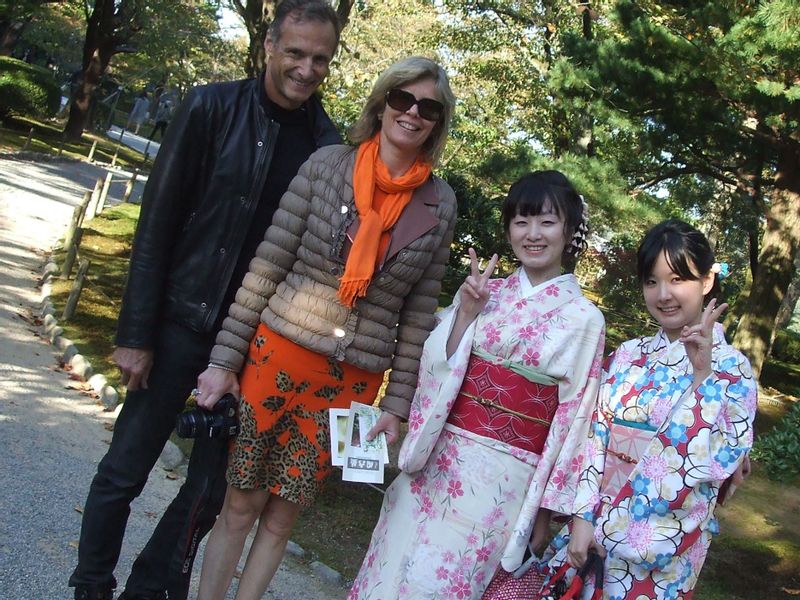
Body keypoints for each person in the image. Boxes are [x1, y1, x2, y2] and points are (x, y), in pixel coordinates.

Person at [68, 2, 343, 599]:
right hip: (177, 325)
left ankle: (147, 589)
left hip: (252, 346)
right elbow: (157, 224)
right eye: (295, 52)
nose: (305, 68)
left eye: (320, 58)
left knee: (210, 490)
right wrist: (135, 333)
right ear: (270, 44)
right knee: (125, 469)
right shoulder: (211, 107)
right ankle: (90, 585)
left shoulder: (329, 147)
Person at [193, 55, 458, 600]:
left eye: (427, 107)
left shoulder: (440, 202)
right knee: (240, 504)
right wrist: (223, 363)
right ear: (382, 102)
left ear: (437, 121)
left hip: (351, 387)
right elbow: (266, 267)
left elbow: (417, 317)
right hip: (276, 358)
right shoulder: (326, 165)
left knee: (284, 516)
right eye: (402, 99)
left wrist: (398, 405)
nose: (412, 113)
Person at [348, 171, 607, 599]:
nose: (533, 234)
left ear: (569, 229)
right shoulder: (488, 292)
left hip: (506, 480)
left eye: (547, 221)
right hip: (440, 454)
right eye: (521, 222)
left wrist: (543, 510)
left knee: (447, 582)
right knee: (392, 565)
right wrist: (466, 313)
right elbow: (436, 365)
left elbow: (576, 420)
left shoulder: (585, 320)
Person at [548, 218, 757, 598]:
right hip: (591, 523)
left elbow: (717, 463)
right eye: (651, 281)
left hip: (663, 544)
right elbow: (595, 435)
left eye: (678, 279)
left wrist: (702, 378)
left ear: (707, 281)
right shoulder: (628, 354)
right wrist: (582, 516)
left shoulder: (733, 368)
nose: (664, 294)